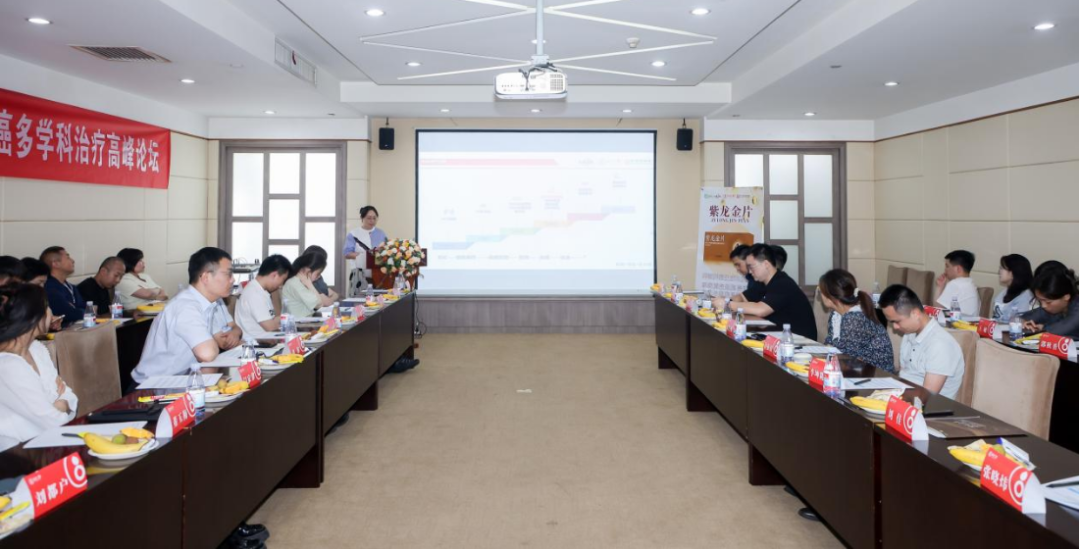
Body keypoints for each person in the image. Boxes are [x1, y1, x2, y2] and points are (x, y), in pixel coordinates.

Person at [130, 247, 242, 388]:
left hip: (178, 381)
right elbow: (207, 354)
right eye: (228, 274)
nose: (232, 280)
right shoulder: (186, 306)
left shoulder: (206, 303)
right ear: (206, 277)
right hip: (152, 388)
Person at [0, 283, 79, 445]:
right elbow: (52, 421)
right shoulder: (8, 365)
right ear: (33, 316)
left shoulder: (36, 349)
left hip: (47, 440)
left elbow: (70, 396)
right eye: (47, 307)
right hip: (17, 450)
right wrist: (61, 405)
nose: (51, 312)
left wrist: (61, 404)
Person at [880, 284, 965, 399]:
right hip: (902, 398)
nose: (895, 327)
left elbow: (926, 398)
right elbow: (904, 376)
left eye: (897, 321)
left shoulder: (940, 345)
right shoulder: (909, 334)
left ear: (915, 314)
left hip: (931, 407)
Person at [727, 244, 817, 340]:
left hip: (799, 341)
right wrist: (728, 300)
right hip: (777, 336)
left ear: (766, 264)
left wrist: (728, 304)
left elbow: (761, 310)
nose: (749, 271)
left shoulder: (783, 283)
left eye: (751, 267)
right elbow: (743, 297)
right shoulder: (762, 283)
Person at [819, 269, 894, 372]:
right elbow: (830, 344)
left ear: (830, 297)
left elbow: (846, 359)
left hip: (877, 375)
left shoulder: (855, 318)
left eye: (820, 291)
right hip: (856, 370)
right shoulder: (836, 314)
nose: (819, 294)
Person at [235, 255, 291, 339]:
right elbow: (272, 328)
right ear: (274, 275)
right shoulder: (254, 294)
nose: (281, 285)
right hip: (258, 343)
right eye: (283, 280)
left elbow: (272, 321)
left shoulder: (261, 291)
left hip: (266, 340)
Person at [1021, 268, 1080, 339]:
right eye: (1040, 301)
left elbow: (1061, 329)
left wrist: (1042, 328)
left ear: (1066, 297)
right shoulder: (1051, 307)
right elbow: (1020, 318)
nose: (1043, 305)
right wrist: (1024, 323)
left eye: (1048, 302)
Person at [343, 206, 388, 293]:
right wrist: (364, 256)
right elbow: (347, 253)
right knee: (359, 298)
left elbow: (386, 251)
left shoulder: (381, 233)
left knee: (378, 298)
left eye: (374, 218)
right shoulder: (353, 234)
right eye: (369, 218)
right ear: (362, 218)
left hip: (378, 272)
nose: (372, 221)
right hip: (359, 272)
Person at [40, 246, 86, 327]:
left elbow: (87, 309)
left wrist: (76, 310)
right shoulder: (49, 288)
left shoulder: (71, 287)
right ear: (55, 263)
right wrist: (77, 310)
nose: (73, 260)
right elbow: (68, 314)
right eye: (67, 257)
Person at [281, 252, 334, 317]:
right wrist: (309, 284)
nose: (319, 276)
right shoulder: (295, 283)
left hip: (305, 320)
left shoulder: (298, 281)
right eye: (318, 273)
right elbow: (319, 304)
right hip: (298, 322)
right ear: (308, 271)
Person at [934, 250, 980, 317]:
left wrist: (939, 287)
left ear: (958, 269)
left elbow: (937, 310)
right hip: (967, 323)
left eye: (947, 266)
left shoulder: (955, 284)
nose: (945, 269)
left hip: (955, 323)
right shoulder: (970, 284)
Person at [993, 254, 1034, 321]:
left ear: (1013, 272)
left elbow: (1021, 322)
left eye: (1002, 268)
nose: (999, 272)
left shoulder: (1026, 296)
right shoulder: (1005, 291)